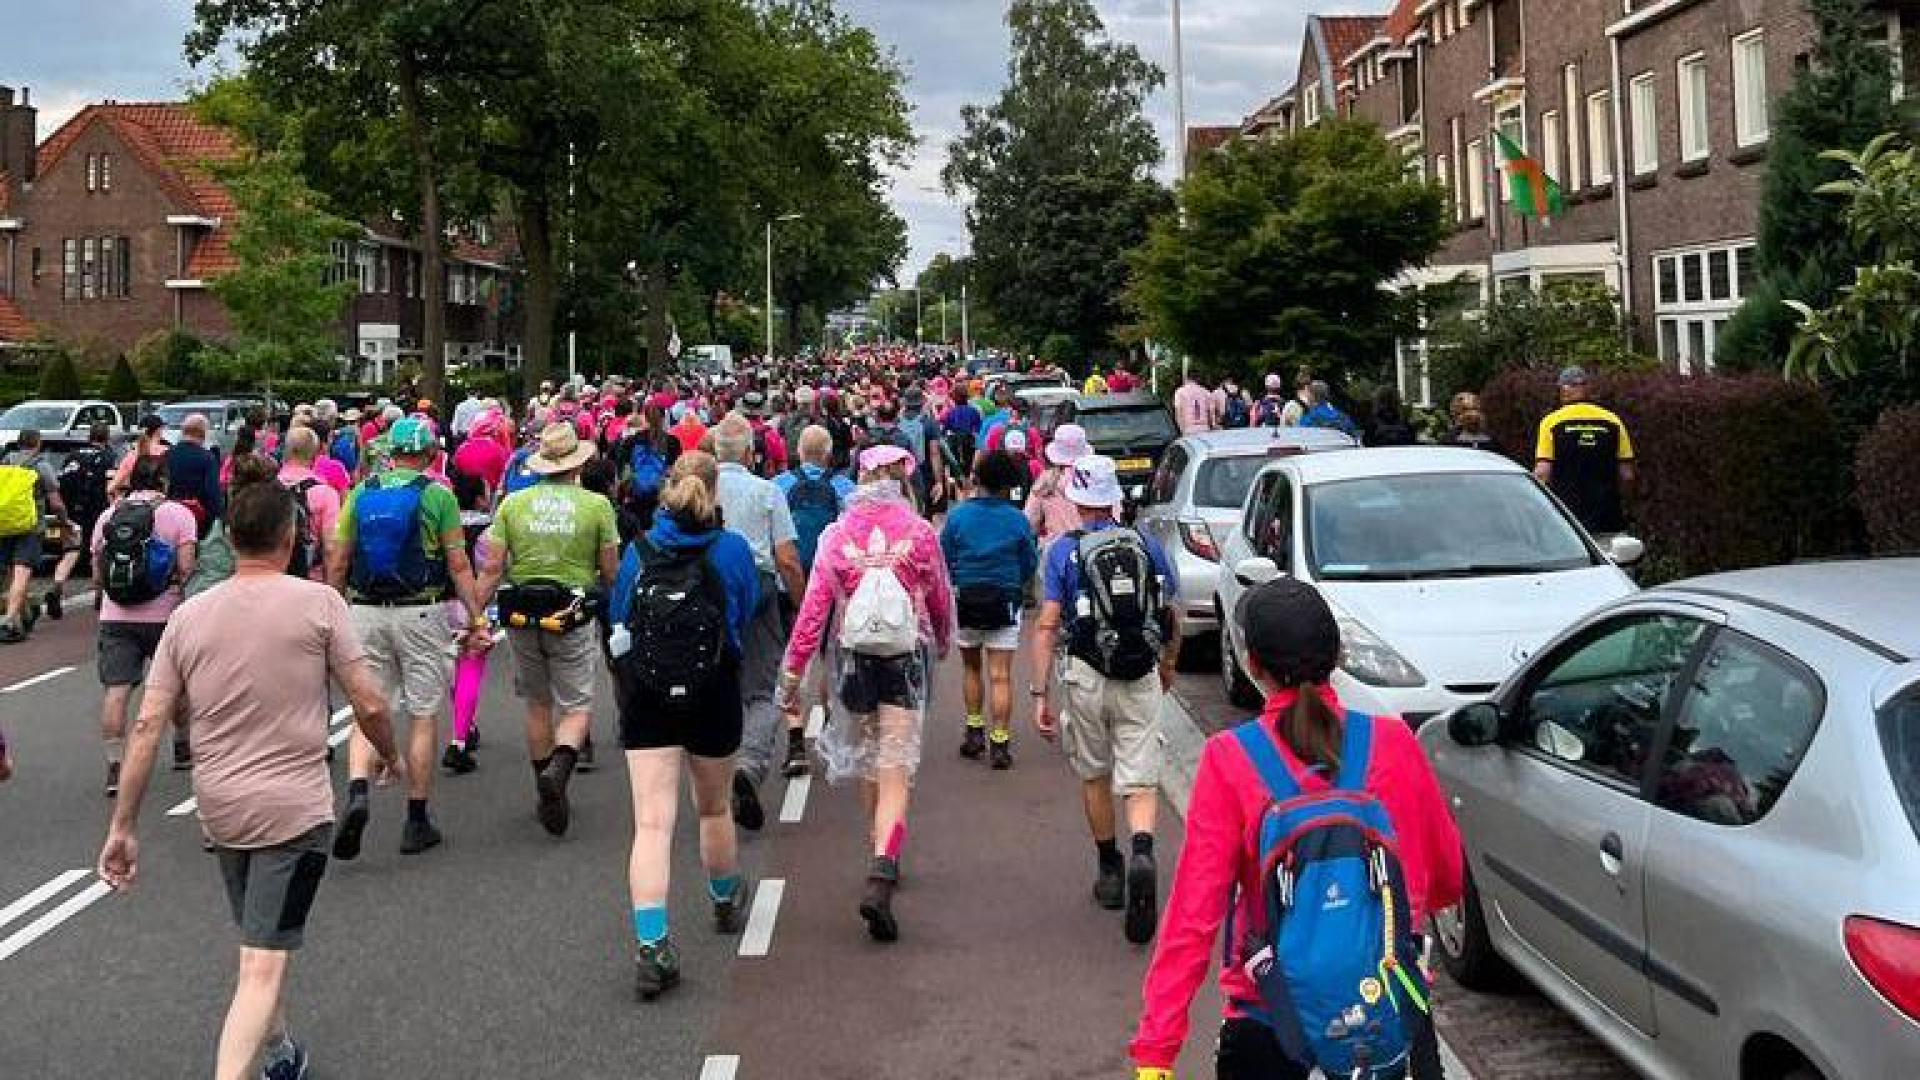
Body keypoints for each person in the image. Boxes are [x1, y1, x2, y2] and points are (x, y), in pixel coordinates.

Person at [97, 480, 399, 1080]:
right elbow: (367, 701)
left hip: (221, 807)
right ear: (292, 538)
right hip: (295, 807)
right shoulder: (320, 605)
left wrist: (123, 826)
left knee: (259, 942)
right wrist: (389, 753)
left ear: (230, 538)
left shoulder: (188, 617)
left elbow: (149, 725)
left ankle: (280, 1052)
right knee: (263, 962)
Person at [1129, 576, 1463, 1080]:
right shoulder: (1394, 743)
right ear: (1337, 653)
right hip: (1387, 1019)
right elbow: (1447, 880)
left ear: (1252, 663)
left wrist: (1156, 1052)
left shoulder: (1230, 759)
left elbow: (1192, 918)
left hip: (1270, 1025)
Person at [777, 444, 954, 942]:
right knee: (896, 764)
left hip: (853, 656)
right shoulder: (919, 532)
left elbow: (813, 610)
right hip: (904, 653)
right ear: (903, 479)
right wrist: (940, 639)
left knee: (870, 756)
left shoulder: (836, 535)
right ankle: (885, 859)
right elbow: (939, 593)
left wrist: (793, 673)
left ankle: (876, 844)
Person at [606, 451, 761, 999]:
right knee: (713, 806)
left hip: (647, 693)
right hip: (712, 688)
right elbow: (743, 609)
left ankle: (653, 945)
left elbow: (620, 616)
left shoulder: (639, 552)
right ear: (715, 494)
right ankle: (723, 895)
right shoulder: (733, 550)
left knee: (651, 823)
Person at [1030, 454, 1181, 945]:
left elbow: (1049, 622)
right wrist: (1168, 666)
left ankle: (1110, 867)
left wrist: (1040, 692)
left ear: (1075, 499)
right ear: (1115, 497)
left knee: (1094, 771)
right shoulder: (1146, 545)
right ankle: (1143, 848)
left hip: (1086, 674)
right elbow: (1170, 611)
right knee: (1140, 775)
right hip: (1140, 672)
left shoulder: (1060, 553)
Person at [326, 416, 485, 859]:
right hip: (421, 610)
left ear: (388, 452)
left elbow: (339, 558)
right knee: (422, 713)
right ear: (432, 454)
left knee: (366, 708)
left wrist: (332, 608)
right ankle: (416, 818)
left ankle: (358, 790)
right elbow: (458, 564)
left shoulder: (361, 493)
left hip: (365, 611)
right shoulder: (438, 496)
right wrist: (476, 617)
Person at [475, 423, 621, 835]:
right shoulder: (596, 507)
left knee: (537, 703)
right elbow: (610, 570)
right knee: (576, 705)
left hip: (522, 611)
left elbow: (492, 567)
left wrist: (475, 613)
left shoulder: (512, 505)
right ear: (577, 463)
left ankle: (544, 781)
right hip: (570, 611)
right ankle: (559, 769)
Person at [711, 414, 808, 830]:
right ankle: (749, 765)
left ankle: (714, 774)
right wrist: (805, 606)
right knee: (764, 684)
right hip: (757, 586)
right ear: (751, 453)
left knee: (715, 681)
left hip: (707, 586)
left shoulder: (698, 487)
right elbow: (786, 558)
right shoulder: (767, 491)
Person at [93, 455, 200, 794]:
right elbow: (186, 569)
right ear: (164, 482)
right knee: (176, 686)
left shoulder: (109, 515)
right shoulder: (179, 514)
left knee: (117, 689)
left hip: (116, 615)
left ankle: (114, 766)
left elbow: (98, 570)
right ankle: (182, 745)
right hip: (164, 615)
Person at [941, 451, 1037, 770]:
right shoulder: (1016, 519)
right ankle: (1000, 741)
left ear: (978, 479)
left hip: (967, 597)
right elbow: (1029, 563)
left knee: (971, 669)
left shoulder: (957, 516)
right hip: (1004, 599)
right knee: (1000, 675)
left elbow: (945, 559)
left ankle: (974, 730)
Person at [1534, 366, 1636, 539]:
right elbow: (1627, 475)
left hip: (1567, 518)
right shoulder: (1613, 420)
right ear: (1587, 389)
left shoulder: (1551, 422)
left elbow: (1543, 473)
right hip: (1608, 516)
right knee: (1610, 562)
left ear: (1564, 389)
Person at [443, 470, 493, 775]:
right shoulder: (488, 531)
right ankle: (459, 739)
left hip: (442, 603)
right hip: (473, 602)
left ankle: (466, 723)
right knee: (470, 669)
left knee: (452, 668)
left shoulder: (441, 525)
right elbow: (491, 571)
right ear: (478, 497)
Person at [0, 429, 65, 641]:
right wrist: (64, 520)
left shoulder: (5, 462)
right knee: (22, 572)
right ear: (38, 443)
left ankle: (25, 613)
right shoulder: (41, 465)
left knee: (11, 572)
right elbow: (55, 502)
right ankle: (9, 620)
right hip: (30, 526)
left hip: (4, 523)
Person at [51, 422, 116, 618]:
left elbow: (61, 484)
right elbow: (110, 486)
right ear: (107, 438)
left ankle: (58, 584)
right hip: (97, 513)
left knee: (71, 551)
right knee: (97, 552)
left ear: (90, 436)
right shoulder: (108, 457)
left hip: (72, 512)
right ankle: (98, 594)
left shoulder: (72, 456)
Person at [277, 427, 342, 582]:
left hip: (273, 580)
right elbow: (330, 548)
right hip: (311, 580)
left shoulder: (266, 488)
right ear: (315, 453)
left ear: (285, 450)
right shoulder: (326, 493)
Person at [1025, 422, 1092, 550]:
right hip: (1091, 551)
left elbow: (1028, 524)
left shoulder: (1045, 481)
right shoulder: (1097, 478)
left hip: (1056, 551)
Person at [168, 413, 225, 538]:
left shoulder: (167, 454)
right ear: (204, 434)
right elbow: (213, 492)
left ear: (183, 431)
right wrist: (220, 519)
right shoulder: (207, 458)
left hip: (170, 513)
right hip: (197, 519)